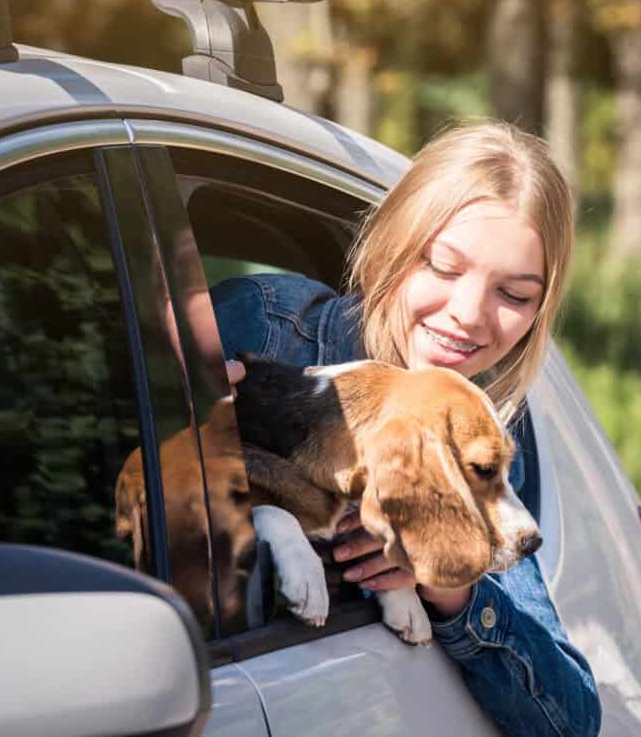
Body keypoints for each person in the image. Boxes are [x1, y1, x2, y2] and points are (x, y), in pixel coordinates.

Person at [211, 120, 601, 737]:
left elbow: (568, 719)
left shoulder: (480, 425)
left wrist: (451, 584)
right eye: (444, 267)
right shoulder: (261, 326)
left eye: (515, 294)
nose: (469, 317)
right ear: (393, 242)